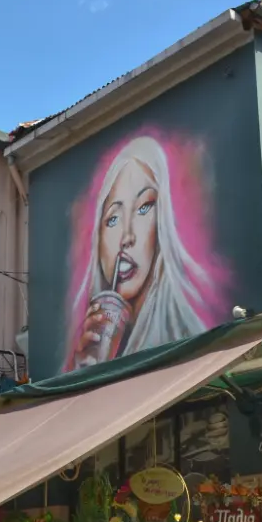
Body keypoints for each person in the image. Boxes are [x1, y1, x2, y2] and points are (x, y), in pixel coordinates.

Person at [66, 135, 210, 370]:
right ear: (98, 240)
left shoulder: (189, 338)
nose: (127, 237)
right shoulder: (91, 336)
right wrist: (82, 372)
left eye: (144, 208)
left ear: (163, 221)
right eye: (112, 219)